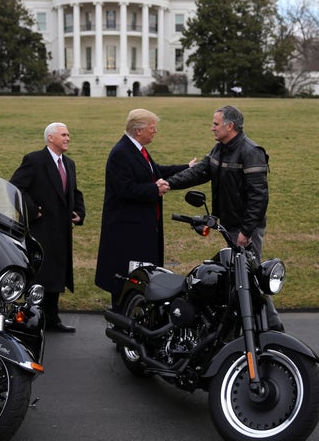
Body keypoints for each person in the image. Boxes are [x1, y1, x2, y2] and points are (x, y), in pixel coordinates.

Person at [160, 105, 282, 329]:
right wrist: (170, 182)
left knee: (252, 278)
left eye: (216, 124)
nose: (212, 128)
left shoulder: (250, 152)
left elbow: (258, 197)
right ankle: (239, 323)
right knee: (237, 274)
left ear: (230, 126)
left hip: (245, 229)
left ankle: (272, 327)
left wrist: (246, 232)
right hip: (229, 225)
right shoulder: (220, 148)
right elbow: (201, 171)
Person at [94, 108, 195, 308]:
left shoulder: (136, 149)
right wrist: (154, 189)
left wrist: (187, 168)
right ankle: (122, 325)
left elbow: (156, 171)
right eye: (152, 128)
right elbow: (124, 189)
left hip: (141, 228)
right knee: (126, 280)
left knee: (141, 278)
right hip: (127, 231)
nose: (155, 131)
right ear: (138, 130)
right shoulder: (121, 153)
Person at [10, 122, 85, 333]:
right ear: (51, 138)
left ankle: (52, 318)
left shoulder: (69, 164)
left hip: (62, 231)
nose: (68, 138)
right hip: (40, 230)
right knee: (40, 275)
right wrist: (32, 210)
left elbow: (74, 192)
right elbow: (15, 187)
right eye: (63, 134)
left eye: (68, 134)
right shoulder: (34, 160)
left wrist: (80, 212)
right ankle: (30, 319)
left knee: (57, 274)